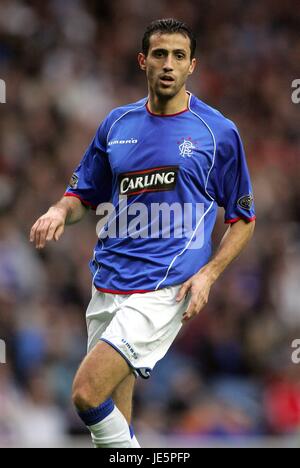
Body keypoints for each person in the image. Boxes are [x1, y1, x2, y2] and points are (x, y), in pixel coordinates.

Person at [30, 18, 256, 448]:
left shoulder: (218, 133)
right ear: (142, 61)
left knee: (85, 393)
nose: (168, 64)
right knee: (112, 420)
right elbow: (82, 194)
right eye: (159, 54)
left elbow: (243, 218)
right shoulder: (116, 125)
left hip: (163, 288)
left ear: (193, 66)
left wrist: (208, 275)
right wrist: (59, 211)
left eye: (178, 56)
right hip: (108, 283)